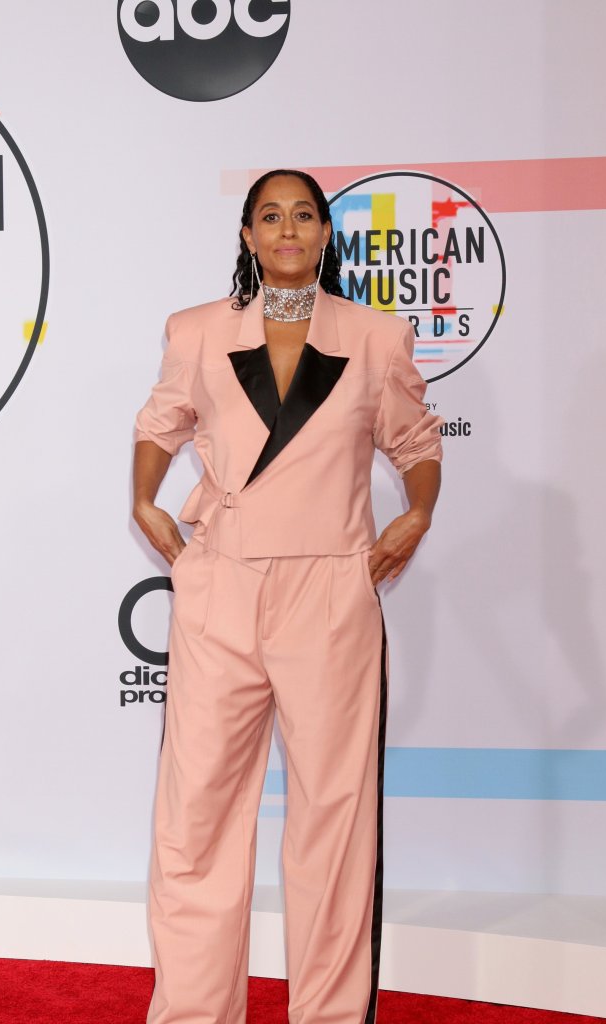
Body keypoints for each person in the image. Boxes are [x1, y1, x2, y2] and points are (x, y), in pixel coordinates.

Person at [132, 168, 443, 1024]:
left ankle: (332, 1017)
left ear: (325, 234)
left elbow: (415, 438)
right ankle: (195, 1013)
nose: (287, 230)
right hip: (220, 580)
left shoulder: (376, 335)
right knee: (195, 813)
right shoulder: (196, 331)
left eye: (303, 215)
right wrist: (143, 501)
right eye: (269, 216)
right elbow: (159, 423)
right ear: (247, 235)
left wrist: (417, 511)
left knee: (333, 821)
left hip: (331, 586)